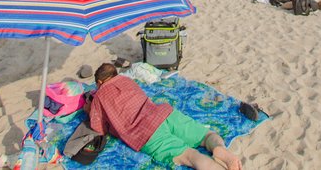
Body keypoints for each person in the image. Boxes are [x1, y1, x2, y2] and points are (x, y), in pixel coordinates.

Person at [88, 62, 243, 170]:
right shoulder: (126, 80)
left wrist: (88, 109)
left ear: (100, 82)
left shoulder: (99, 96)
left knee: (190, 156)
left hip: (145, 133)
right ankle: (219, 148)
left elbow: (99, 128)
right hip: (162, 113)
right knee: (206, 135)